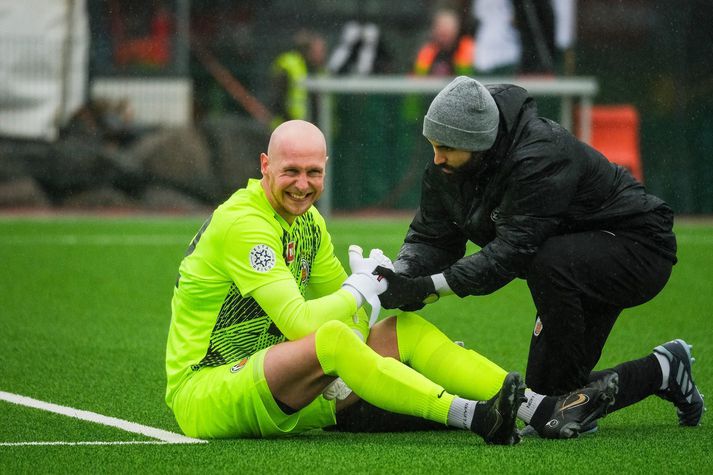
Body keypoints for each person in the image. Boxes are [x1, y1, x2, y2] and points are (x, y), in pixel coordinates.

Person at [166, 119, 559, 443]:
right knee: (332, 339)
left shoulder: (309, 223)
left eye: (313, 172)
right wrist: (358, 289)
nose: (303, 185)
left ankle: (537, 408)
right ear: (265, 165)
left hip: (279, 381)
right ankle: (475, 417)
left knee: (405, 329)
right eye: (291, 171)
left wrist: (365, 301)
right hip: (206, 391)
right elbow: (300, 323)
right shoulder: (245, 224)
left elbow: (353, 318)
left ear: (325, 168)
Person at [374, 76, 705, 434]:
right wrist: (400, 275)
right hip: (571, 260)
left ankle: (652, 374)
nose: (436, 158)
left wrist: (429, 287)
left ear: (479, 143)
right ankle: (663, 370)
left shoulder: (540, 153)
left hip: (640, 248)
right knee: (549, 399)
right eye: (433, 145)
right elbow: (432, 237)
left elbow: (512, 252)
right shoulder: (451, 163)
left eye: (446, 148)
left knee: (546, 260)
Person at [269, 30, 327, 128]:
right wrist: (290, 122)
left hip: (303, 127)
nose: (323, 54)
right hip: (286, 127)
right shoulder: (289, 65)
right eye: (320, 50)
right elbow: (277, 99)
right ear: (309, 50)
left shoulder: (317, 71)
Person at [413, 8, 474, 77]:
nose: (444, 36)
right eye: (441, 31)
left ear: (456, 30)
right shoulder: (427, 51)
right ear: (434, 30)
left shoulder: (465, 47)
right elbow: (417, 80)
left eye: (447, 32)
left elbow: (467, 77)